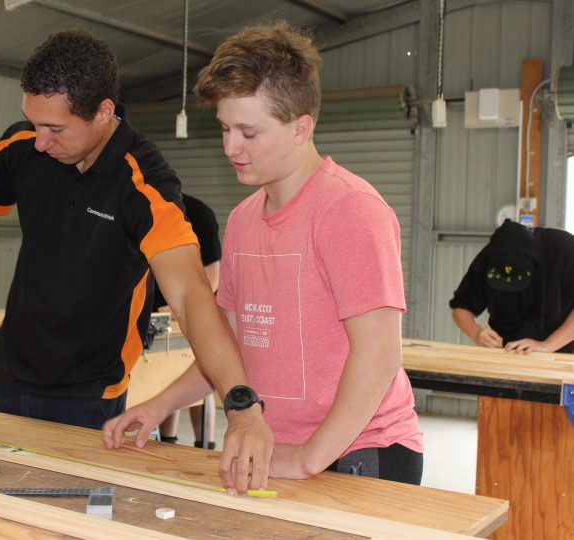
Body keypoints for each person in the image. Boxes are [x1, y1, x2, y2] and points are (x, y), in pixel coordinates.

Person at [0, 28, 272, 494]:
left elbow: (189, 294)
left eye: (55, 128)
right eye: (32, 122)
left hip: (88, 398)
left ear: (104, 112)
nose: (39, 140)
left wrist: (240, 406)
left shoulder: (144, 184)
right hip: (8, 378)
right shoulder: (21, 148)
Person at [104, 21, 424, 485]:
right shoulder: (243, 220)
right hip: (274, 447)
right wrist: (161, 404)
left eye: (249, 133)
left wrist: (309, 457)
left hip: (359, 451)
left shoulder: (349, 209)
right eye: (225, 128)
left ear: (301, 128)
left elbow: (379, 355)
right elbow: (230, 345)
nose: (231, 147)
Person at [152, 193, 221, 449]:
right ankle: (168, 440)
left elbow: (214, 272)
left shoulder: (198, 212)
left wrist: (183, 308)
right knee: (164, 377)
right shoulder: (144, 208)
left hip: (191, 312)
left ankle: (206, 444)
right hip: (155, 315)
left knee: (203, 375)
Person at [450, 219, 574, 353]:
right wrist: (476, 333)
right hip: (506, 351)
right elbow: (461, 307)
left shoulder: (564, 250)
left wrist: (547, 345)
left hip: (560, 353)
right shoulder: (488, 258)